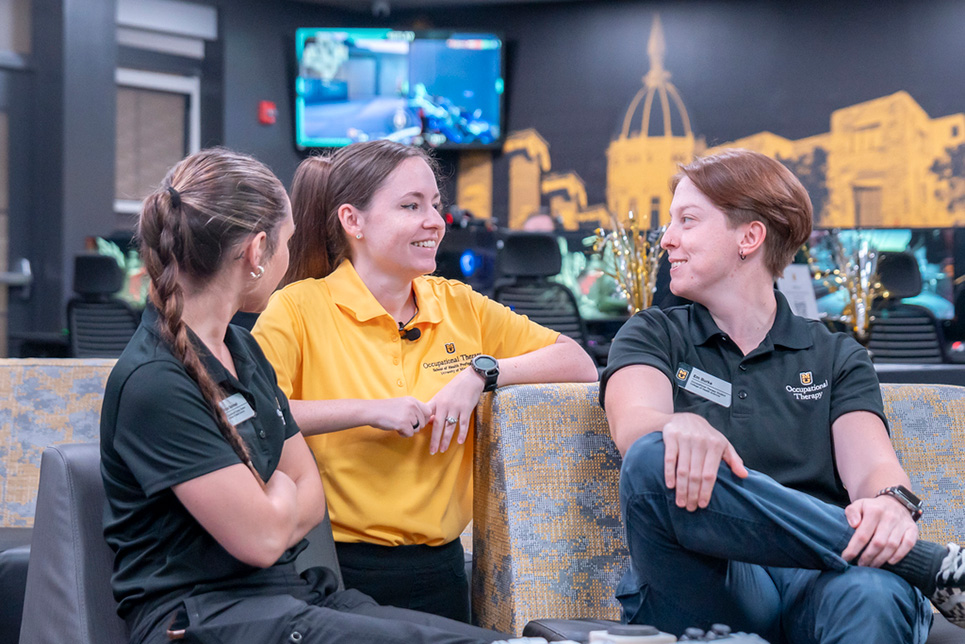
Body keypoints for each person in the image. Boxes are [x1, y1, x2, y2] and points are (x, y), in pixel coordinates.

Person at [100, 147, 512, 644]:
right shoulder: (155, 380)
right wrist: (280, 496)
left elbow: (308, 497)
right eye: (288, 242)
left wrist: (274, 497)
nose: (292, 257)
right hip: (202, 617)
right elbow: (264, 535)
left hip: (288, 593)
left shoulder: (240, 350)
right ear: (256, 252)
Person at [600, 148, 965, 644]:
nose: (667, 240)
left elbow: (875, 472)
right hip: (710, 577)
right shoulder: (653, 333)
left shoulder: (835, 353)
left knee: (876, 594)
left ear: (749, 238)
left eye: (687, 220)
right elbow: (635, 426)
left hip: (823, 581)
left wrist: (891, 506)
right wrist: (673, 426)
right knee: (651, 457)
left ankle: (888, 560)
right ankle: (923, 565)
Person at [252, 140, 599, 622]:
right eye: (411, 206)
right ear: (353, 221)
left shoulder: (458, 303)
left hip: (442, 569)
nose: (434, 221)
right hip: (333, 566)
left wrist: (481, 372)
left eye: (436, 205)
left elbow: (577, 361)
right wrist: (371, 409)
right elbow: (260, 415)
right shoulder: (298, 307)